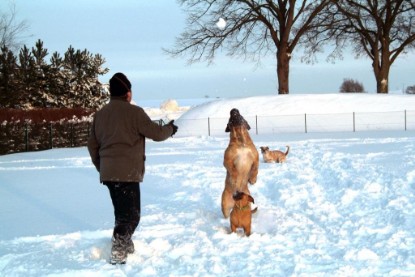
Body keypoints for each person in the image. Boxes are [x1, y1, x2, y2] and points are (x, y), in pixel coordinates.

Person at [87, 72, 178, 264]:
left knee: (122, 213)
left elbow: (92, 145)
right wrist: (171, 128)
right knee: (132, 216)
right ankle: (119, 250)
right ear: (127, 92)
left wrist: (102, 166)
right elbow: (157, 133)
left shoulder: (100, 115)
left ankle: (124, 244)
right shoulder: (134, 113)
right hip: (127, 173)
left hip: (110, 173)